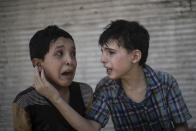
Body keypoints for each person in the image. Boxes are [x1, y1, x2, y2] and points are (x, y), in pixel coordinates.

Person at [33, 20, 192, 131]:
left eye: (111, 53)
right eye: (102, 52)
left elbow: (181, 125)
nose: (102, 59)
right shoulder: (106, 87)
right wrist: (55, 97)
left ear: (135, 57)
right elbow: (91, 128)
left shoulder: (165, 83)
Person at [12, 25, 93, 131]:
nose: (70, 60)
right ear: (38, 64)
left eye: (73, 53)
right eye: (59, 53)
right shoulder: (25, 101)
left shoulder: (84, 92)